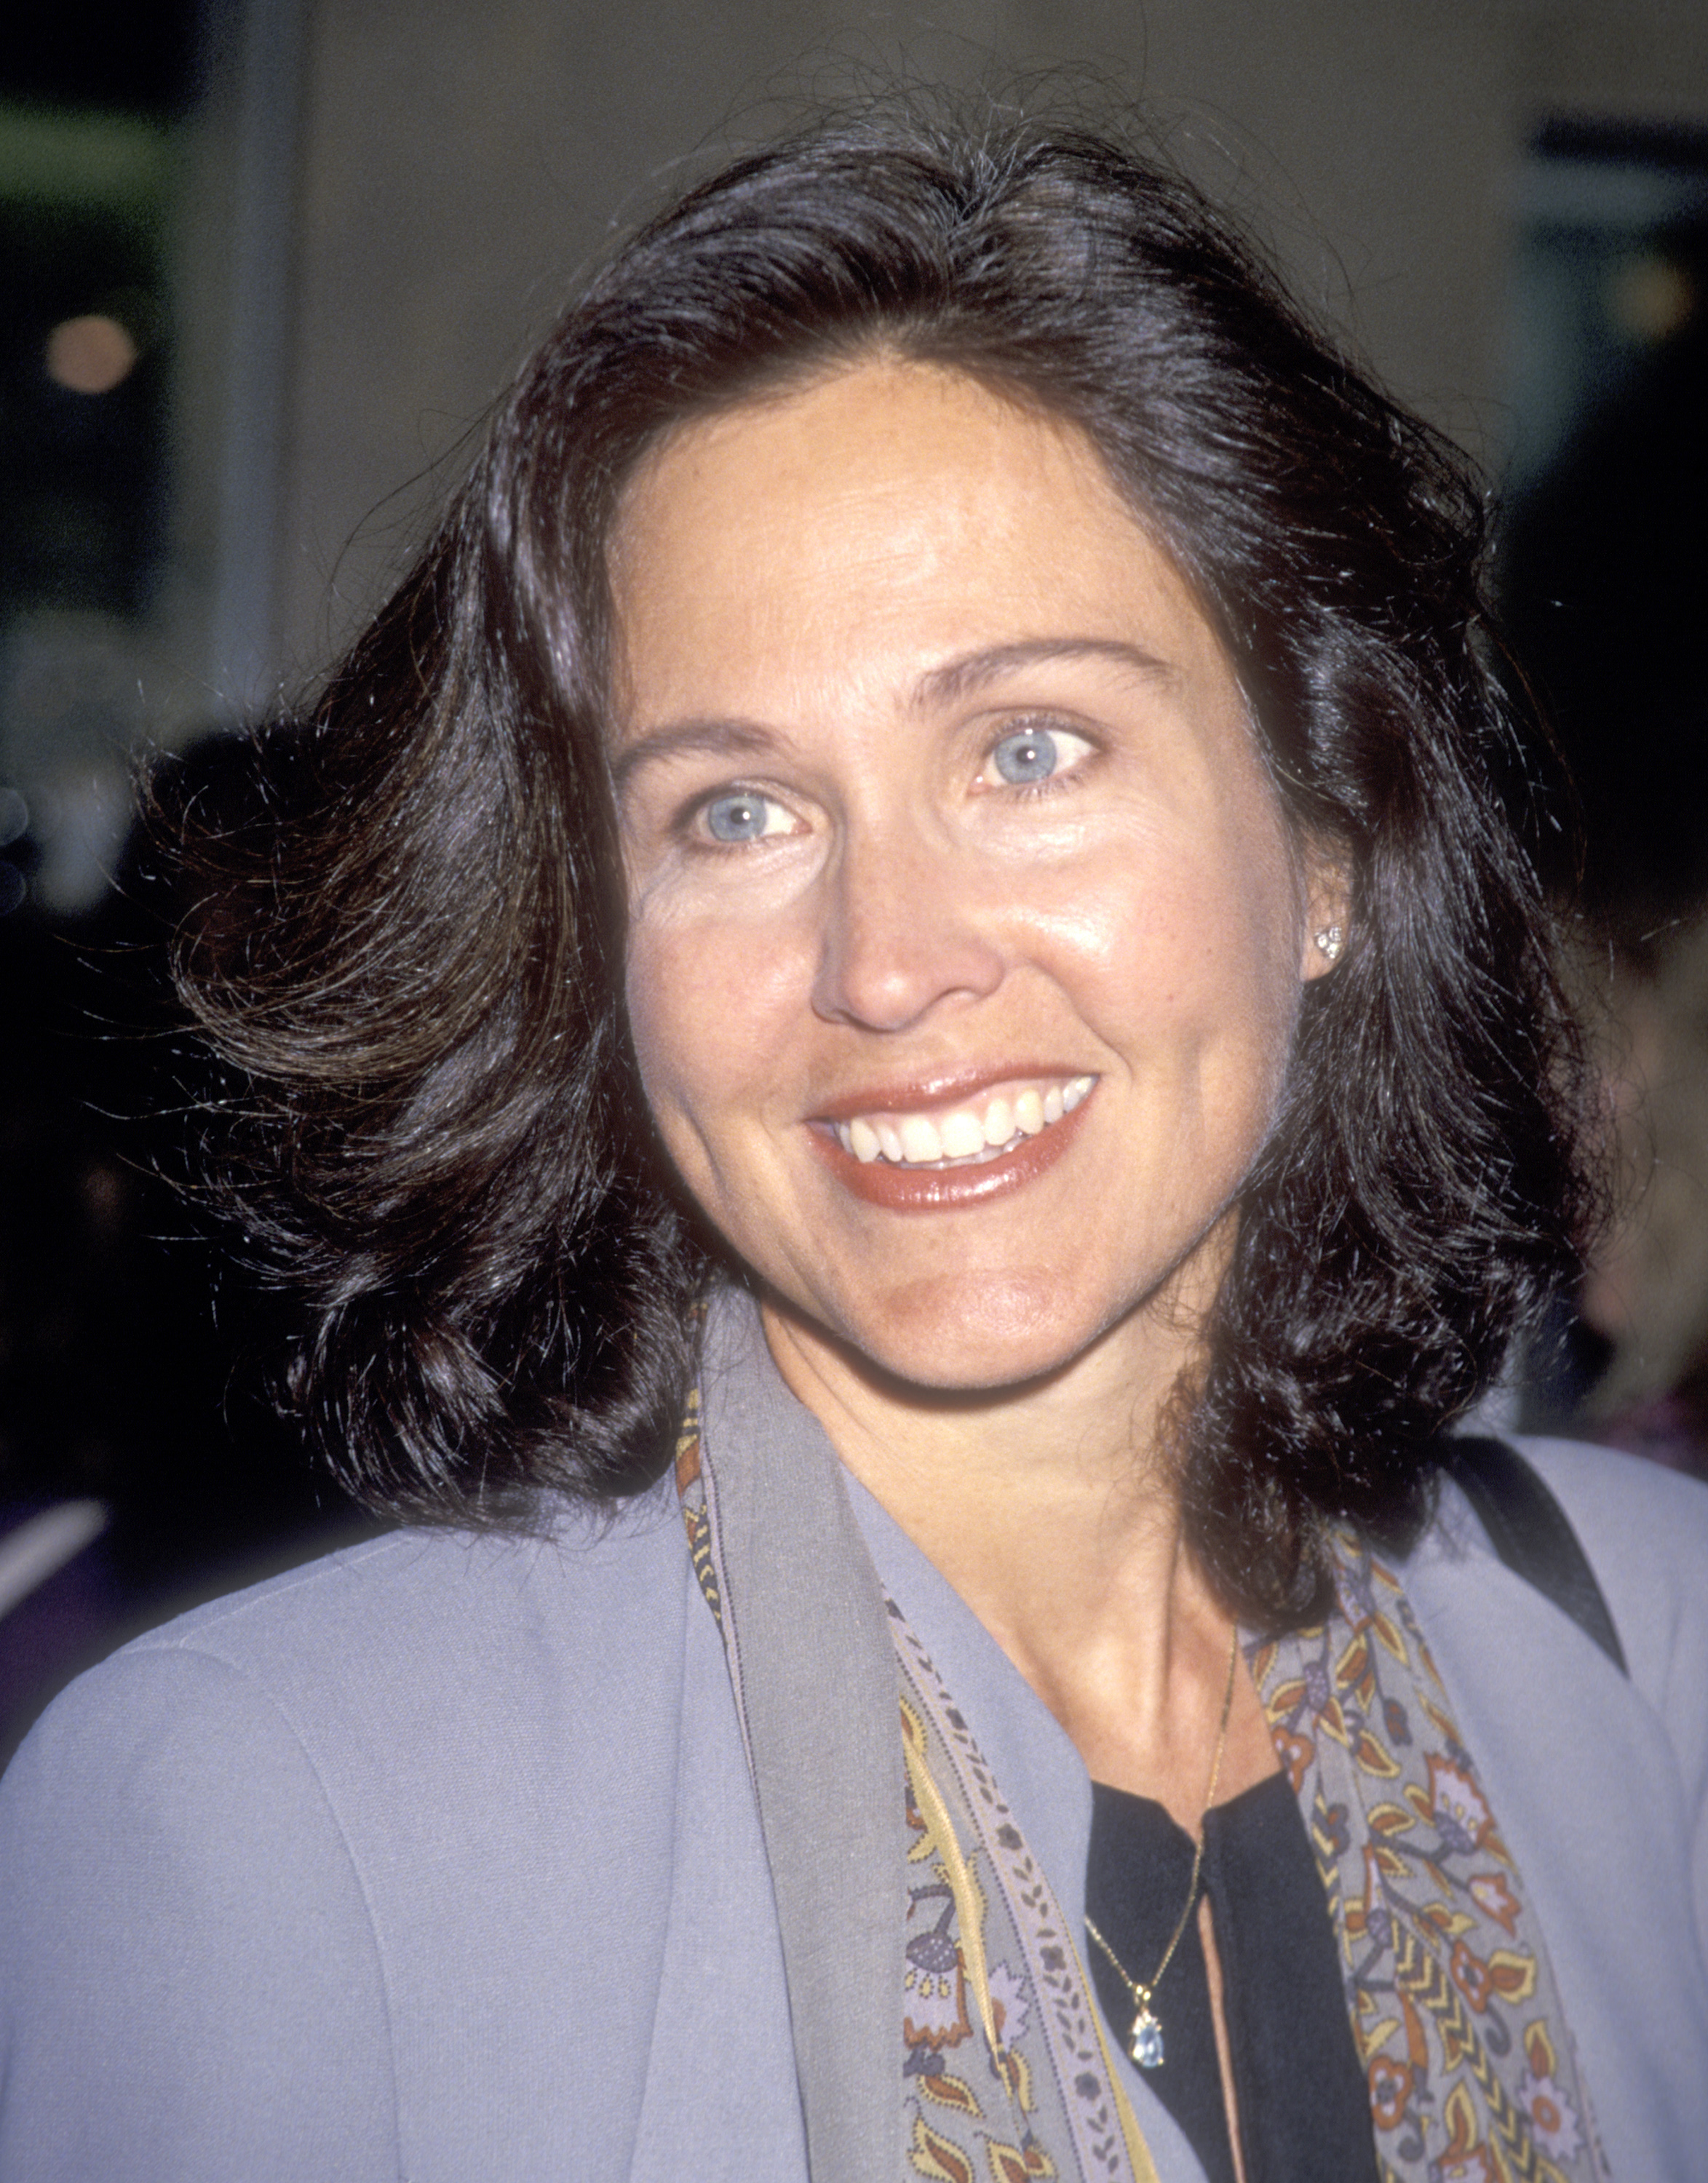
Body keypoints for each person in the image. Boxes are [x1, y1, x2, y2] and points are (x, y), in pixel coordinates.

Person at [2, 104, 1706, 2183]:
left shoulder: (1656, 1658)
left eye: (1026, 749)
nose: (884, 964)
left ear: (1325, 841)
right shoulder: (271, 1822)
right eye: (735, 810)